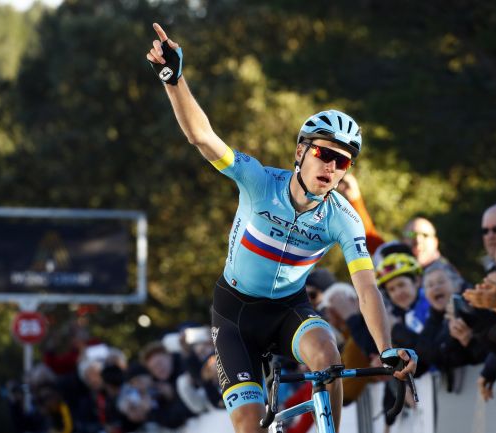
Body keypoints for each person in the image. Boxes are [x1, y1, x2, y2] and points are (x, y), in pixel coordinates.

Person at [145, 23, 416, 433]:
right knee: (250, 426)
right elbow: (202, 137)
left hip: (289, 310)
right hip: (234, 315)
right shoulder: (258, 181)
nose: (331, 167)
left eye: (343, 162)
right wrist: (174, 79)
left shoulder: (343, 216)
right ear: (300, 151)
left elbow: (366, 289)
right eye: (325, 154)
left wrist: (387, 349)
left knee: (328, 356)